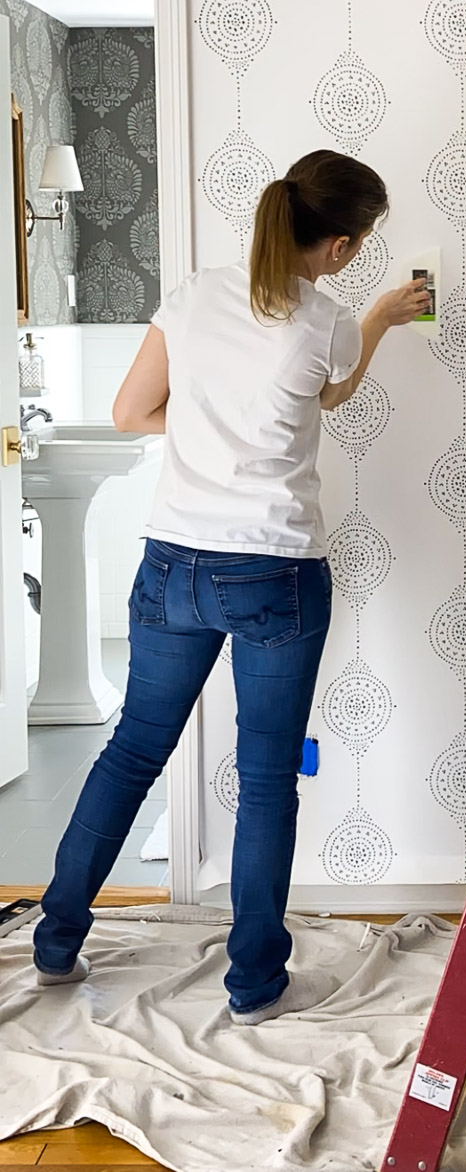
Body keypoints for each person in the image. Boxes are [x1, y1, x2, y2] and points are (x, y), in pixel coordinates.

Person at [32, 149, 430, 1024]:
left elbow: (131, 413)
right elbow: (328, 397)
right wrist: (377, 322)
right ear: (337, 245)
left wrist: (210, 430)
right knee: (263, 779)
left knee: (132, 753)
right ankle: (252, 984)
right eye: (357, 245)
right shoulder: (325, 319)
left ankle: (57, 940)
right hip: (275, 573)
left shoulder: (194, 294)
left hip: (171, 564)